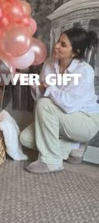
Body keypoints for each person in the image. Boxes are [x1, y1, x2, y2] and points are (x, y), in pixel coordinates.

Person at [20, 27, 99, 174]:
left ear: (76, 52)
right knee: (25, 138)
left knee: (45, 105)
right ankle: (74, 147)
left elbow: (69, 105)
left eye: (63, 44)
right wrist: (37, 86)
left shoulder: (84, 71)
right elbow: (41, 101)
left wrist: (49, 87)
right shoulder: (49, 64)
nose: (56, 46)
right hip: (61, 119)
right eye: (58, 41)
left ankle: (51, 162)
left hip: (85, 121)